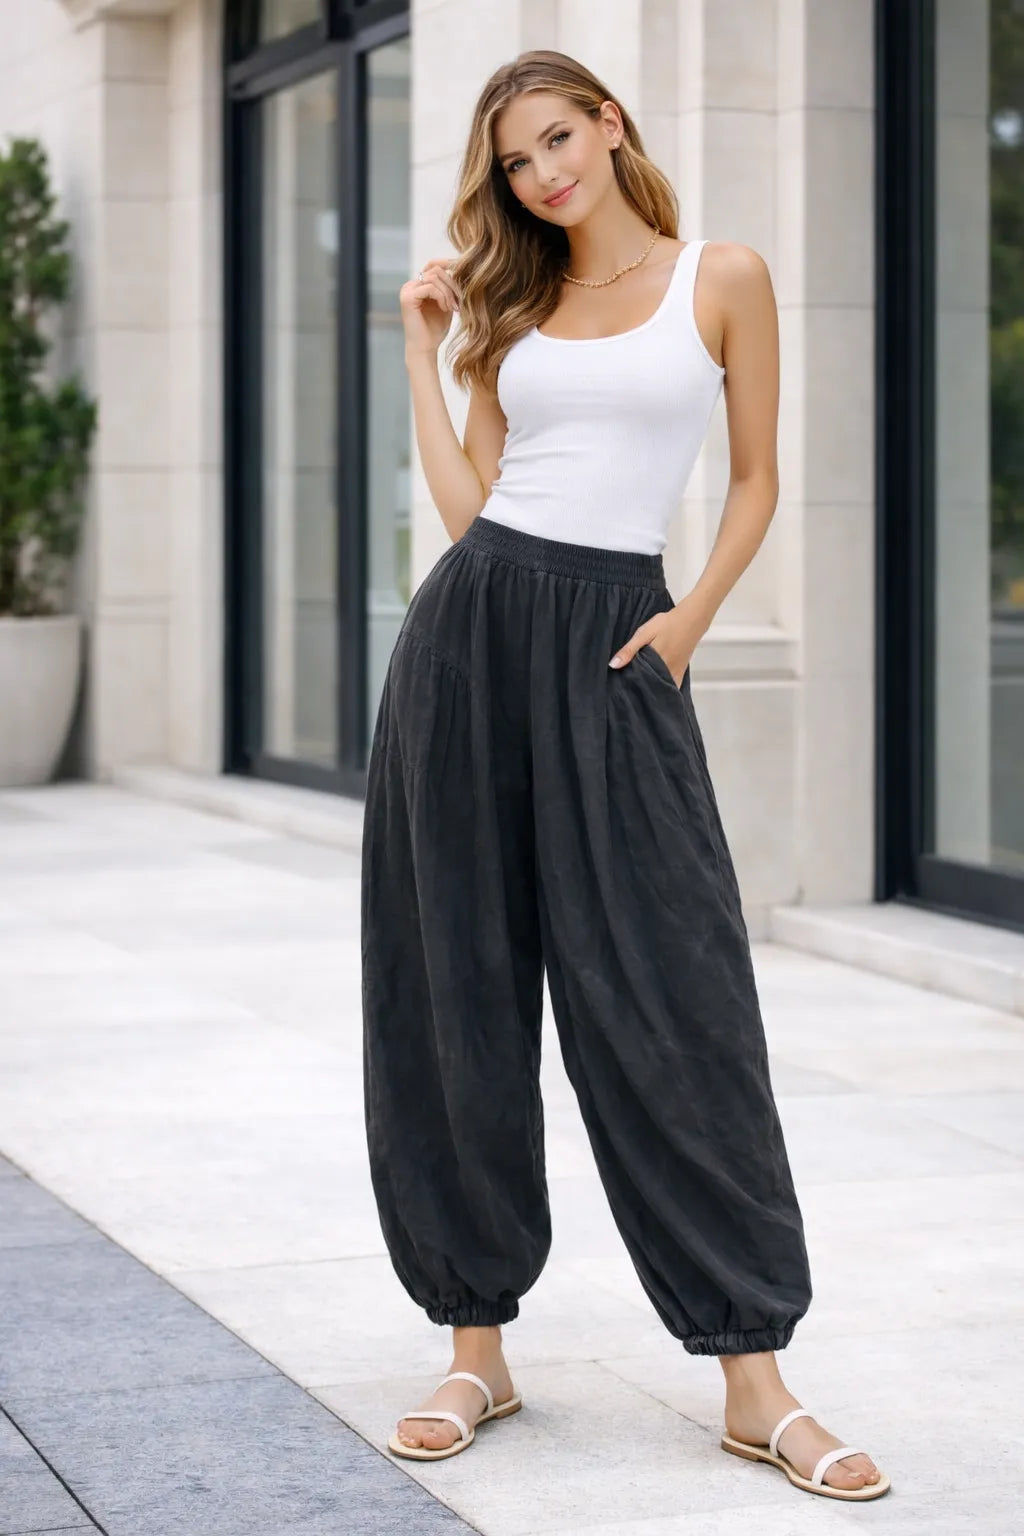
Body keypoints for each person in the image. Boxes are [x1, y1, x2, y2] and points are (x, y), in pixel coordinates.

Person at [360, 48, 889, 1503]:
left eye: (557, 140)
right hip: (470, 641)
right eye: (518, 161)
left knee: (677, 994)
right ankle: (476, 1346)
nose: (544, 174)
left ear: (609, 121)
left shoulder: (723, 275)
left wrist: (686, 627)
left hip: (618, 647)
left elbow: (762, 476)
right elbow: (473, 512)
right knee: (455, 982)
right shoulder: (512, 307)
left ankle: (753, 1377)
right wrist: (425, 351)